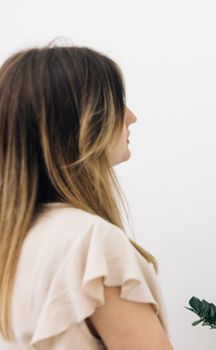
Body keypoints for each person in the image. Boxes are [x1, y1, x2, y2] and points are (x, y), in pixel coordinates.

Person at [0, 46, 173, 349]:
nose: (131, 117)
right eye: (116, 103)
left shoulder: (16, 240)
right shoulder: (90, 242)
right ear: (79, 125)